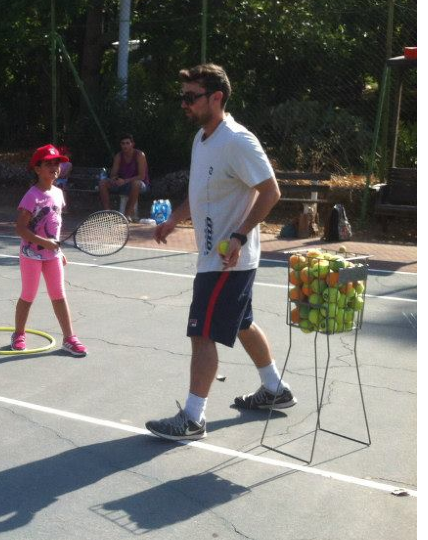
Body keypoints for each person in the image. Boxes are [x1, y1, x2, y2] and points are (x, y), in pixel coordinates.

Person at [145, 64, 294, 441]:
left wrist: (240, 236)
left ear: (217, 97)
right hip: (215, 257)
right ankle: (275, 389)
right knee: (241, 323)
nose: (185, 104)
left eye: (191, 97)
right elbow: (201, 192)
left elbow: (271, 191)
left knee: (202, 333)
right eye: (183, 97)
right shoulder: (202, 138)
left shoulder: (238, 141)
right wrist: (174, 219)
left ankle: (193, 418)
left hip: (228, 261)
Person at [12, 144, 88, 357]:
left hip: (52, 255)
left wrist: (58, 251)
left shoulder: (59, 193)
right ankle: (18, 334)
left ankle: (69, 338)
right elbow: (20, 228)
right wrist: (43, 243)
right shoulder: (31, 196)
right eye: (48, 164)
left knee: (59, 296)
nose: (54, 167)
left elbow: (54, 223)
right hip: (31, 254)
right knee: (28, 295)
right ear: (37, 169)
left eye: (57, 163)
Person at [98, 134, 150, 221]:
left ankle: (127, 215)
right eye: (123, 143)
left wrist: (125, 181)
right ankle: (107, 213)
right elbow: (113, 175)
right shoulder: (119, 156)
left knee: (136, 183)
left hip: (139, 184)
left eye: (127, 143)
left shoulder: (139, 155)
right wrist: (116, 179)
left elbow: (141, 176)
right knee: (102, 183)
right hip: (122, 183)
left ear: (132, 144)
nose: (125, 145)